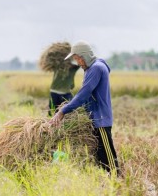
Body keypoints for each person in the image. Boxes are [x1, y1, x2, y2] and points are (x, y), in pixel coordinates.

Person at [49, 40, 119, 176]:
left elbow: (84, 93)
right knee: (100, 157)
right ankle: (107, 184)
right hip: (94, 118)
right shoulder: (90, 69)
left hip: (101, 119)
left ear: (84, 55)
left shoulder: (96, 68)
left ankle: (118, 183)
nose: (77, 62)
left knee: (108, 156)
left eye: (77, 59)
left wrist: (63, 111)